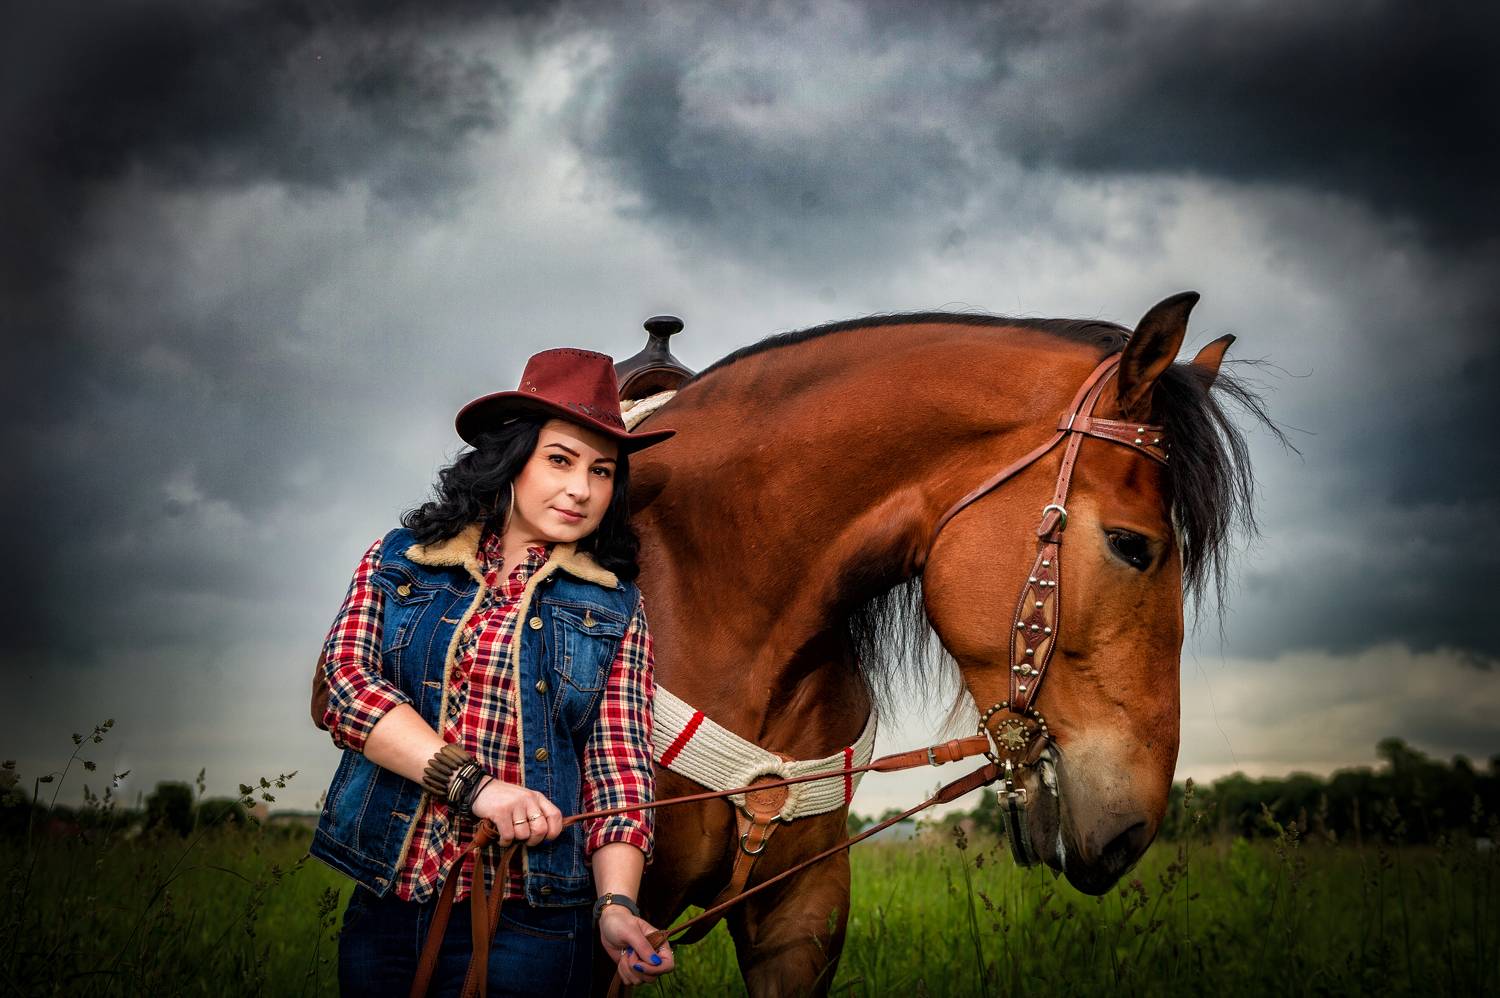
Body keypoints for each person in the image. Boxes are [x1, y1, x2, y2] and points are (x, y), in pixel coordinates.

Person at [310, 348, 677, 996]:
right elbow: (345, 686)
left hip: (533, 922)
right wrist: (476, 787)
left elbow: (618, 767)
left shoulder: (616, 606)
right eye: (560, 460)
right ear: (512, 459)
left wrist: (616, 905)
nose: (581, 489)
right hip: (390, 900)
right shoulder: (400, 561)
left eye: (601, 471)